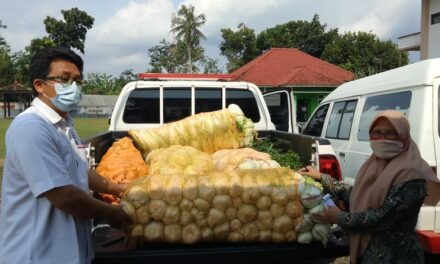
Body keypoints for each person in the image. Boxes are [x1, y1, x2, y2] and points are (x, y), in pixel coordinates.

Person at [0, 47, 132, 264]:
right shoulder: (31, 128)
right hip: (36, 254)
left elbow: (80, 170)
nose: (73, 87)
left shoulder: (64, 125)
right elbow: (64, 196)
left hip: (67, 252)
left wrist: (119, 189)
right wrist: (112, 213)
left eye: (77, 81)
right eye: (64, 79)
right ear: (39, 85)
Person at [299, 110, 440, 264]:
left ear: (404, 136)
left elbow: (381, 217)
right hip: (367, 253)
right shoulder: (375, 163)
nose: (382, 138)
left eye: (391, 133)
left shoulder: (412, 174)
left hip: (396, 257)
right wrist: (322, 178)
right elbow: (357, 194)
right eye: (377, 132)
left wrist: (339, 217)